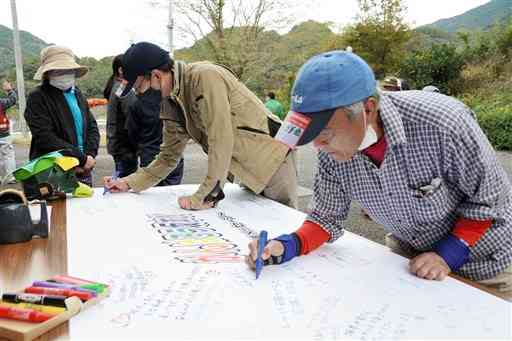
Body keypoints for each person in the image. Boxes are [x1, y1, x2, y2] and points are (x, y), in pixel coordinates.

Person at [246, 51, 512, 299]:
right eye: (311, 136)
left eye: (324, 134)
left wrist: (448, 254)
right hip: (410, 259)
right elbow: (326, 218)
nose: (318, 147)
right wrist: (284, 247)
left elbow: (490, 196)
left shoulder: (443, 123)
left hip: (486, 261)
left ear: (368, 109)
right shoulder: (331, 153)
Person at [104, 42, 297, 210]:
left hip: (272, 160)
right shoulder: (170, 101)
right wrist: (129, 182)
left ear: (155, 75)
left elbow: (220, 136)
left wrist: (207, 194)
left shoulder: (205, 77)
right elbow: (168, 156)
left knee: (279, 232)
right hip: (244, 169)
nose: (138, 94)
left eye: (139, 87)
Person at [24, 45, 100, 186]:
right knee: (56, 207)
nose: (64, 73)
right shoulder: (38, 97)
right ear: (47, 73)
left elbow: (92, 127)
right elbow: (45, 137)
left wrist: (90, 156)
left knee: (86, 207)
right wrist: (81, 159)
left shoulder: (77, 94)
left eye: (68, 70)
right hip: (53, 172)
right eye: (58, 70)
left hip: (84, 170)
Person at [126, 75, 184, 186]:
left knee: (151, 198)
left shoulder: (136, 105)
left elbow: (132, 135)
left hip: (150, 158)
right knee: (171, 196)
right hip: (174, 156)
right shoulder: (172, 99)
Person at [103, 54, 138, 177]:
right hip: (125, 145)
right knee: (125, 184)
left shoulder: (116, 85)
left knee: (121, 178)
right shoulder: (123, 88)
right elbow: (132, 115)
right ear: (121, 70)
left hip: (118, 144)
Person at [0, 80, 17, 180]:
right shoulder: (1, 103)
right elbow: (12, 99)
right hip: (4, 133)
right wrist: (10, 90)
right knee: (8, 155)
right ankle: (10, 177)